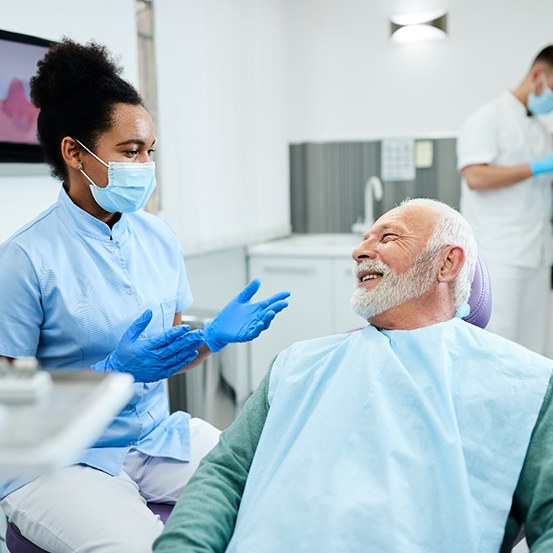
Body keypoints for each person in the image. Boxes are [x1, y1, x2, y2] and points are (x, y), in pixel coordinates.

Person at [0, 39, 289, 553]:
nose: (145, 165)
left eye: (149, 151)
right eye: (130, 152)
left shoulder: (159, 237)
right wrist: (111, 372)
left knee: (279, 484)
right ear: (74, 152)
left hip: (154, 438)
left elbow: (168, 355)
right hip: (58, 458)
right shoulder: (24, 259)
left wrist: (211, 337)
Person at [153, 198, 553, 553]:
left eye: (389, 237)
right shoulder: (299, 364)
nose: (360, 251)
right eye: (365, 239)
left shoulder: (527, 384)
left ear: (447, 263)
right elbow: (226, 474)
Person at [457, 45, 553, 355]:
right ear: (539, 76)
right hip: (499, 255)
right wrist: (536, 167)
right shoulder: (487, 118)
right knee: (498, 346)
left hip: (538, 255)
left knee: (535, 349)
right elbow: (476, 178)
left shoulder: (543, 130)